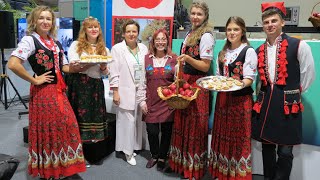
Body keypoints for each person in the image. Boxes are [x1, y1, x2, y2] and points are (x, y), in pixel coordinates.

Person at [7, 6, 86, 179]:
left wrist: (77, 67)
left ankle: (59, 165)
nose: (45, 22)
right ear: (34, 21)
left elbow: (63, 67)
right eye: (41, 18)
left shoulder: (55, 42)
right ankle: (50, 169)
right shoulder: (29, 40)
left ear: (53, 22)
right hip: (43, 93)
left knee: (66, 126)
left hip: (58, 92)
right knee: (49, 130)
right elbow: (13, 64)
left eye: (48, 18)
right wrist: (34, 80)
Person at [251, 2, 315, 180]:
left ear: (282, 22)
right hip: (266, 105)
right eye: (266, 22)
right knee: (267, 149)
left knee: (285, 151)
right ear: (262, 25)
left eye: (274, 21)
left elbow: (308, 74)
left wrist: (293, 92)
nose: (270, 25)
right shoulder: (258, 50)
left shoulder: (299, 46)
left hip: (288, 105)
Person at [167, 1, 215, 179]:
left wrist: (187, 58)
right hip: (186, 82)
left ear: (205, 16)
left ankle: (194, 170)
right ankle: (182, 165)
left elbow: (204, 66)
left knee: (195, 128)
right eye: (193, 13)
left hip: (198, 85)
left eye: (199, 14)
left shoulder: (207, 36)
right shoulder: (190, 33)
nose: (195, 17)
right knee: (183, 124)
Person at [208, 16, 257, 180]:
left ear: (242, 31)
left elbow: (249, 78)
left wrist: (235, 85)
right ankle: (221, 172)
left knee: (238, 138)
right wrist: (217, 84)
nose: (232, 32)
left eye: (236, 29)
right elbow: (218, 77)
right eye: (229, 29)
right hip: (223, 100)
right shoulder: (222, 53)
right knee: (221, 135)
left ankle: (237, 174)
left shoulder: (248, 51)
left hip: (240, 101)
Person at [62, 16, 110, 166]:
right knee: (78, 119)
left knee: (93, 120)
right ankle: (76, 155)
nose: (93, 29)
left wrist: (102, 66)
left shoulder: (104, 48)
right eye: (90, 27)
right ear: (85, 30)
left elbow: (105, 72)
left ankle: (88, 154)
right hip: (79, 86)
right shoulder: (76, 45)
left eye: (96, 27)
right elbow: (73, 67)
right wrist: (91, 63)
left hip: (95, 86)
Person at [109, 19, 148, 166]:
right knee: (127, 121)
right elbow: (114, 72)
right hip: (125, 89)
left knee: (138, 120)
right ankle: (127, 151)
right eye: (128, 31)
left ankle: (135, 146)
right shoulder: (117, 49)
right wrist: (116, 92)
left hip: (140, 89)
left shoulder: (143, 48)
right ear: (123, 34)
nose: (131, 34)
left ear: (138, 33)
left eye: (134, 31)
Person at [136, 29, 176, 171]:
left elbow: (177, 83)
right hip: (151, 102)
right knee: (152, 131)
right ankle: (154, 154)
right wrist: (142, 101)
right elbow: (141, 82)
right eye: (157, 39)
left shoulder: (174, 59)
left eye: (163, 39)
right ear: (153, 42)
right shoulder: (146, 59)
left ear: (167, 41)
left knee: (166, 132)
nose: (160, 42)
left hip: (168, 104)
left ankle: (162, 157)